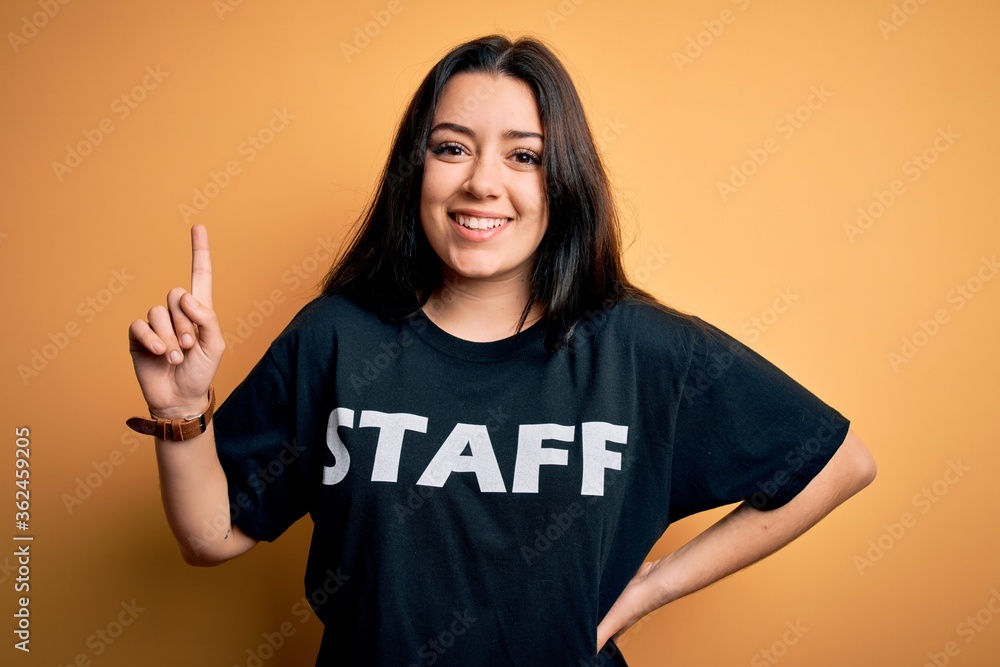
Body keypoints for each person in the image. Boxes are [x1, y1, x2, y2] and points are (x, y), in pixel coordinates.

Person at [127, 35, 876, 666]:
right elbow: (212, 535)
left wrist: (648, 588)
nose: (482, 182)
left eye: (525, 157)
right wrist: (182, 409)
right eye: (451, 148)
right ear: (414, 173)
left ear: (564, 183)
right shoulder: (336, 337)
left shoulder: (639, 349)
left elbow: (839, 462)